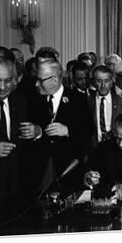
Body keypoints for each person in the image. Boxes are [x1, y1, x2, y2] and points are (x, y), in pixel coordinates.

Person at [24, 59, 94, 198]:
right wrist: (37, 132)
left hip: (70, 172)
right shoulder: (32, 100)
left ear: (54, 79)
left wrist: (68, 131)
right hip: (40, 174)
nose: (36, 84)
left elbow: (88, 131)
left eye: (40, 80)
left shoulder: (77, 99)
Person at [0, 57, 39, 229]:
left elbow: (31, 149)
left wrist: (36, 131)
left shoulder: (21, 102)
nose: (2, 87)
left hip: (17, 190)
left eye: (7, 81)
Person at [88, 65, 122, 150]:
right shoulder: (87, 102)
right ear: (94, 82)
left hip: (116, 150)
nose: (103, 85)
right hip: (93, 151)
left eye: (106, 81)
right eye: (99, 81)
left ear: (111, 82)